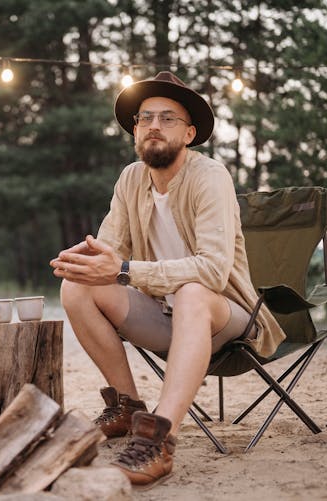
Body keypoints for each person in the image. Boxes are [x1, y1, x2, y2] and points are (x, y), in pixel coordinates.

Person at [50, 72, 284, 487]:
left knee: (192, 291)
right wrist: (83, 260)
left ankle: (159, 438)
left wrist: (124, 271)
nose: (154, 125)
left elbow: (212, 270)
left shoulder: (209, 177)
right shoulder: (130, 178)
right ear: (135, 131)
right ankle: (126, 405)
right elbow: (109, 246)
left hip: (224, 319)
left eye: (168, 118)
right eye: (145, 118)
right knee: (77, 286)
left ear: (190, 133)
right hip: (164, 316)